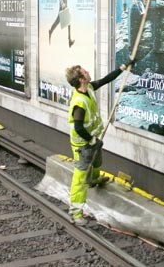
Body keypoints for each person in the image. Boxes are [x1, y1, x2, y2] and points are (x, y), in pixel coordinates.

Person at [64, 60, 133, 225]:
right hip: (82, 145)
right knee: (80, 178)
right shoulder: (79, 103)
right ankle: (75, 213)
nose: (88, 72)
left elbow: (105, 80)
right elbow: (79, 128)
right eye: (84, 72)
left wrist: (123, 67)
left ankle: (94, 180)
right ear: (81, 79)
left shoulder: (89, 88)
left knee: (96, 162)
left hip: (93, 139)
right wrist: (92, 140)